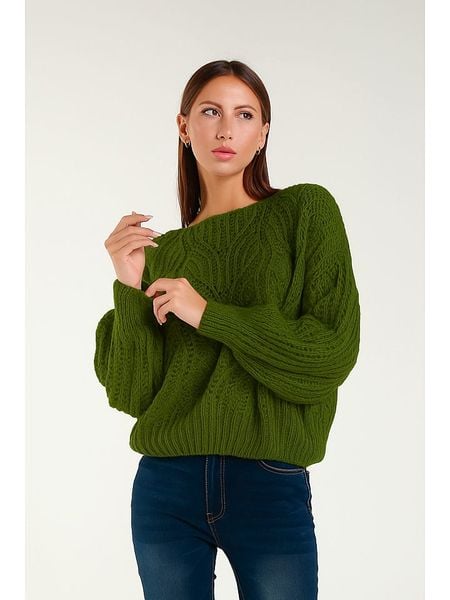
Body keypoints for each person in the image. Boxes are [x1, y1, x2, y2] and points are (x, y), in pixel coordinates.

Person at [94, 59, 361, 600]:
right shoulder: (162, 253)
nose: (225, 130)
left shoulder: (305, 211)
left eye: (244, 115)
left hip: (269, 481)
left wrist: (208, 314)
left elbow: (329, 354)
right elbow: (130, 392)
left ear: (263, 133)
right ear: (183, 125)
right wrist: (128, 286)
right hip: (166, 485)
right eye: (211, 112)